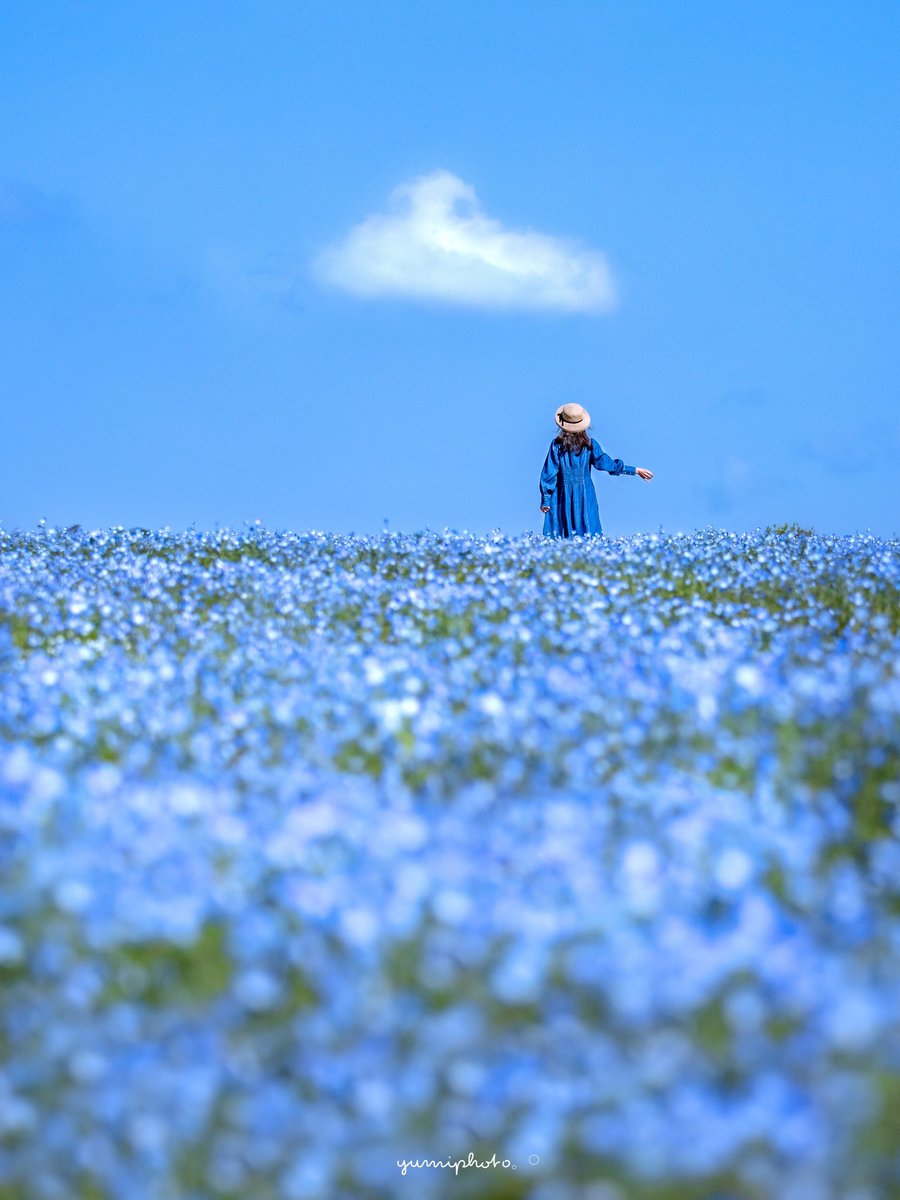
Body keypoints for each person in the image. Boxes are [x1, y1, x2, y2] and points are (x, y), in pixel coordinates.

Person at [540, 403, 653, 538]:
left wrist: (546, 499)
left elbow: (549, 473)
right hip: (586, 495)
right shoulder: (590, 445)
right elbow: (609, 465)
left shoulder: (557, 446)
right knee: (588, 532)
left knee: (561, 535)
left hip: (561, 495)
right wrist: (635, 470)